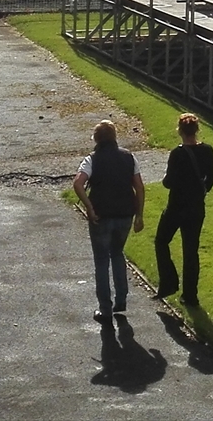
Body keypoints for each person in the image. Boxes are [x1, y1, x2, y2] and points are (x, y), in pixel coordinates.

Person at [71, 120, 144, 326]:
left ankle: (105, 309)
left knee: (102, 261)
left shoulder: (92, 159)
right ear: (114, 137)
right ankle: (121, 300)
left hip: (101, 215)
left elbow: (78, 183)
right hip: (125, 214)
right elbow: (139, 187)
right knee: (117, 253)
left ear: (96, 139)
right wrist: (139, 215)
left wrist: (89, 206)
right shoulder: (129, 157)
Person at [155, 113, 213, 307]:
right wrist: (201, 191)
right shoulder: (208, 150)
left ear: (180, 130)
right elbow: (211, 177)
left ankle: (169, 282)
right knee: (191, 251)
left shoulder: (178, 153)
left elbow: (169, 182)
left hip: (176, 206)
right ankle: (190, 296)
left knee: (161, 241)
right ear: (197, 130)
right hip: (196, 207)